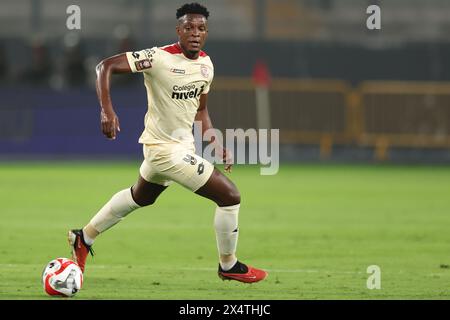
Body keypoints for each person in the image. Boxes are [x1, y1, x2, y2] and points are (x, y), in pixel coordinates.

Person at [68, 2, 267, 284]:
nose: (195, 33)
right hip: (164, 151)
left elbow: (200, 110)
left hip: (177, 149)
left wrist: (214, 142)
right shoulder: (157, 58)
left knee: (140, 197)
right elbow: (105, 66)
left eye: (201, 28)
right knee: (230, 196)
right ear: (179, 30)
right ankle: (229, 265)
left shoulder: (206, 66)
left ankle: (83, 237)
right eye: (189, 28)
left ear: (206, 32)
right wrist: (106, 110)